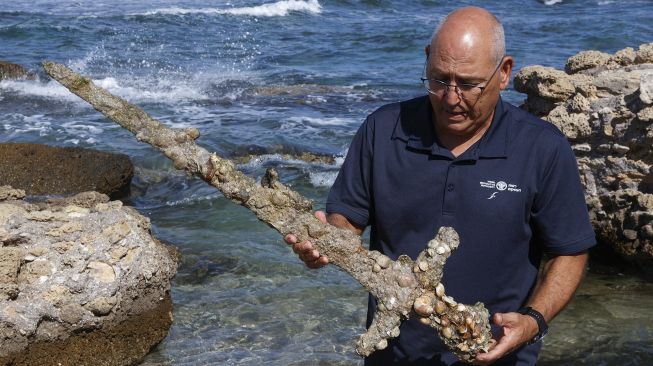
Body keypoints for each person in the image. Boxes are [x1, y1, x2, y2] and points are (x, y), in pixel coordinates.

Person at [285, 6, 595, 366]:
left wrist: (532, 321)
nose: (450, 98)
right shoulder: (382, 130)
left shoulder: (543, 148)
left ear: (504, 72)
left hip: (497, 356)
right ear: (427, 60)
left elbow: (569, 251)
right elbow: (346, 222)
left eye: (468, 84)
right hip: (394, 357)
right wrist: (325, 244)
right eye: (438, 79)